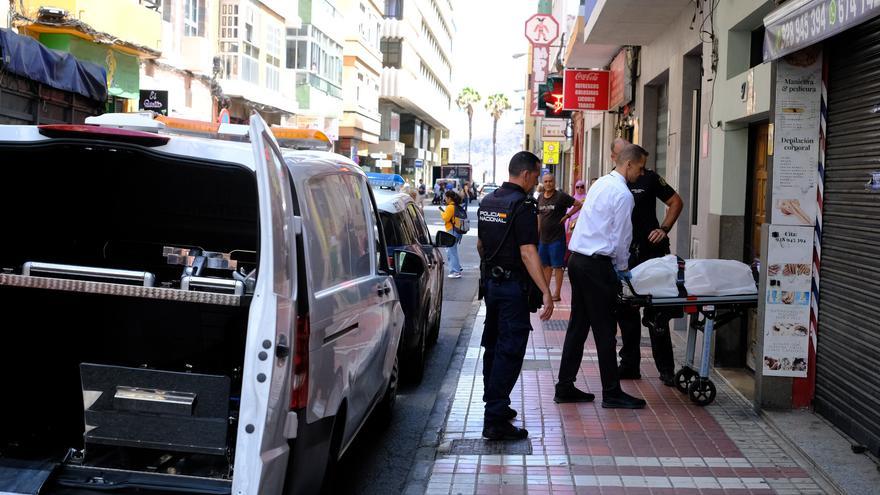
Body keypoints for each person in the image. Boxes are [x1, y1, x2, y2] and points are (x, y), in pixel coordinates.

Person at [554, 144, 649, 409]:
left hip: (577, 261)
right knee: (605, 330)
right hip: (596, 265)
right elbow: (621, 238)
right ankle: (611, 392)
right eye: (640, 168)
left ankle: (565, 386)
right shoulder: (623, 194)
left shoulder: (600, 184)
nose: (641, 174)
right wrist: (621, 270)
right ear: (628, 164)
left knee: (578, 326)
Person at [477, 151, 554, 440]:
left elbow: (481, 246)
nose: (537, 181)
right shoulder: (523, 206)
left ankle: (497, 403)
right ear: (525, 174)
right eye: (536, 176)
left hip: (493, 287)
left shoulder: (489, 202)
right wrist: (546, 291)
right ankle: (495, 418)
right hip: (512, 290)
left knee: (494, 345)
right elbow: (527, 251)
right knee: (510, 350)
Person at [611, 139, 684, 386]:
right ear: (616, 157)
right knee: (626, 312)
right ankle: (629, 365)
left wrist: (664, 228)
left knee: (657, 313)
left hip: (653, 254)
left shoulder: (650, 178)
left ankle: (666, 370)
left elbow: (676, 201)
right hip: (626, 257)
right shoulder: (611, 182)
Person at [537, 173, 582, 301]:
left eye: (550, 181)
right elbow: (539, 217)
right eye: (545, 182)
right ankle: (546, 292)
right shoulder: (540, 197)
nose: (548, 184)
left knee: (557, 266)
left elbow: (578, 204)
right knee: (545, 266)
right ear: (543, 183)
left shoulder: (560, 196)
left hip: (557, 238)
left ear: (554, 182)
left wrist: (567, 216)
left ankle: (556, 293)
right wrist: (537, 234)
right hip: (543, 239)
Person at [440, 190, 463, 278]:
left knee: (451, 251)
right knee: (453, 250)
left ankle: (455, 271)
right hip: (457, 231)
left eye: (446, 197)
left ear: (449, 198)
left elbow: (445, 218)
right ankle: (457, 267)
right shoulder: (456, 206)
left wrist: (442, 212)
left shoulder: (450, 207)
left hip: (452, 231)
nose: (445, 199)